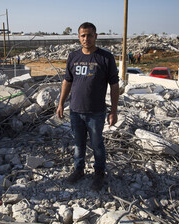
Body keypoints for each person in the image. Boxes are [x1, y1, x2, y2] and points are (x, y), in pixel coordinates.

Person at [56, 22, 119, 191]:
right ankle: (79, 170)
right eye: (83, 35)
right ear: (79, 37)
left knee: (97, 144)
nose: (86, 38)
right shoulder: (73, 57)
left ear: (95, 36)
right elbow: (67, 82)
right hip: (75, 110)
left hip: (96, 112)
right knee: (78, 144)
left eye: (90, 35)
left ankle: (99, 173)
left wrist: (114, 111)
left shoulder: (105, 58)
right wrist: (61, 103)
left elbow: (114, 86)